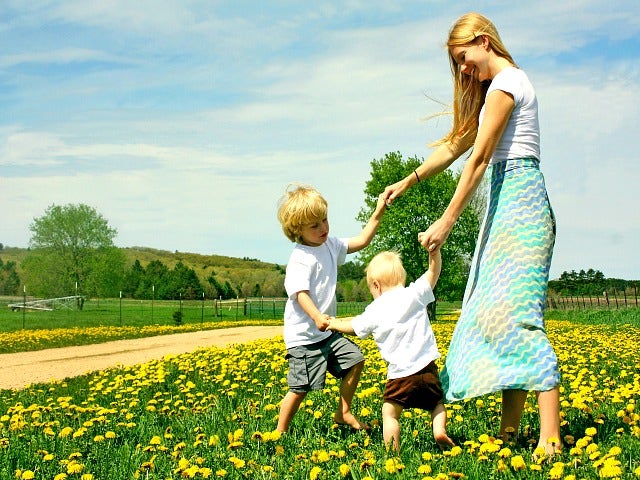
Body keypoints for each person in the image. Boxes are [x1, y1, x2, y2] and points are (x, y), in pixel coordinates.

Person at [382, 13, 561, 456]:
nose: (463, 69)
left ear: (483, 41)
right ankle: (510, 433)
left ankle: (551, 438)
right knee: (496, 318)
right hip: (507, 206)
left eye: (464, 58)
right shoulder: (498, 90)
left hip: (521, 206)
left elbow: (478, 160)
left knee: (518, 317)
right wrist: (409, 180)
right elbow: (457, 143)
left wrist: (445, 222)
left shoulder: (507, 85)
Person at [275, 183, 387, 432]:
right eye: (314, 225)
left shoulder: (330, 245)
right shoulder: (300, 258)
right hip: (304, 338)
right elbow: (299, 293)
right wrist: (316, 316)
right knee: (300, 388)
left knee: (355, 360)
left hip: (326, 332)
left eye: (324, 220)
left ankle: (343, 412)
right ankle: (279, 432)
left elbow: (363, 240)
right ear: (297, 230)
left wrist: (378, 212)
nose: (323, 228)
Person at [328, 248, 455, 451]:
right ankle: (439, 429)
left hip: (400, 375)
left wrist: (334, 324)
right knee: (437, 404)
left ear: (376, 285)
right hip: (428, 369)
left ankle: (392, 452)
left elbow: (354, 327)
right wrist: (435, 252)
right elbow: (433, 272)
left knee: (389, 413)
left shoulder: (375, 309)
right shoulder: (414, 294)